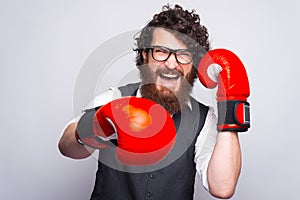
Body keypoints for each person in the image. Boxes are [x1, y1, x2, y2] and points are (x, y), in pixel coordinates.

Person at [58, 4, 250, 200]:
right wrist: (98, 125)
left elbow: (223, 187)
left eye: (183, 55)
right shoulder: (116, 98)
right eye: (161, 51)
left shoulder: (203, 118)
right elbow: (66, 146)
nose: (171, 64)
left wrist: (231, 101)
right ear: (144, 55)